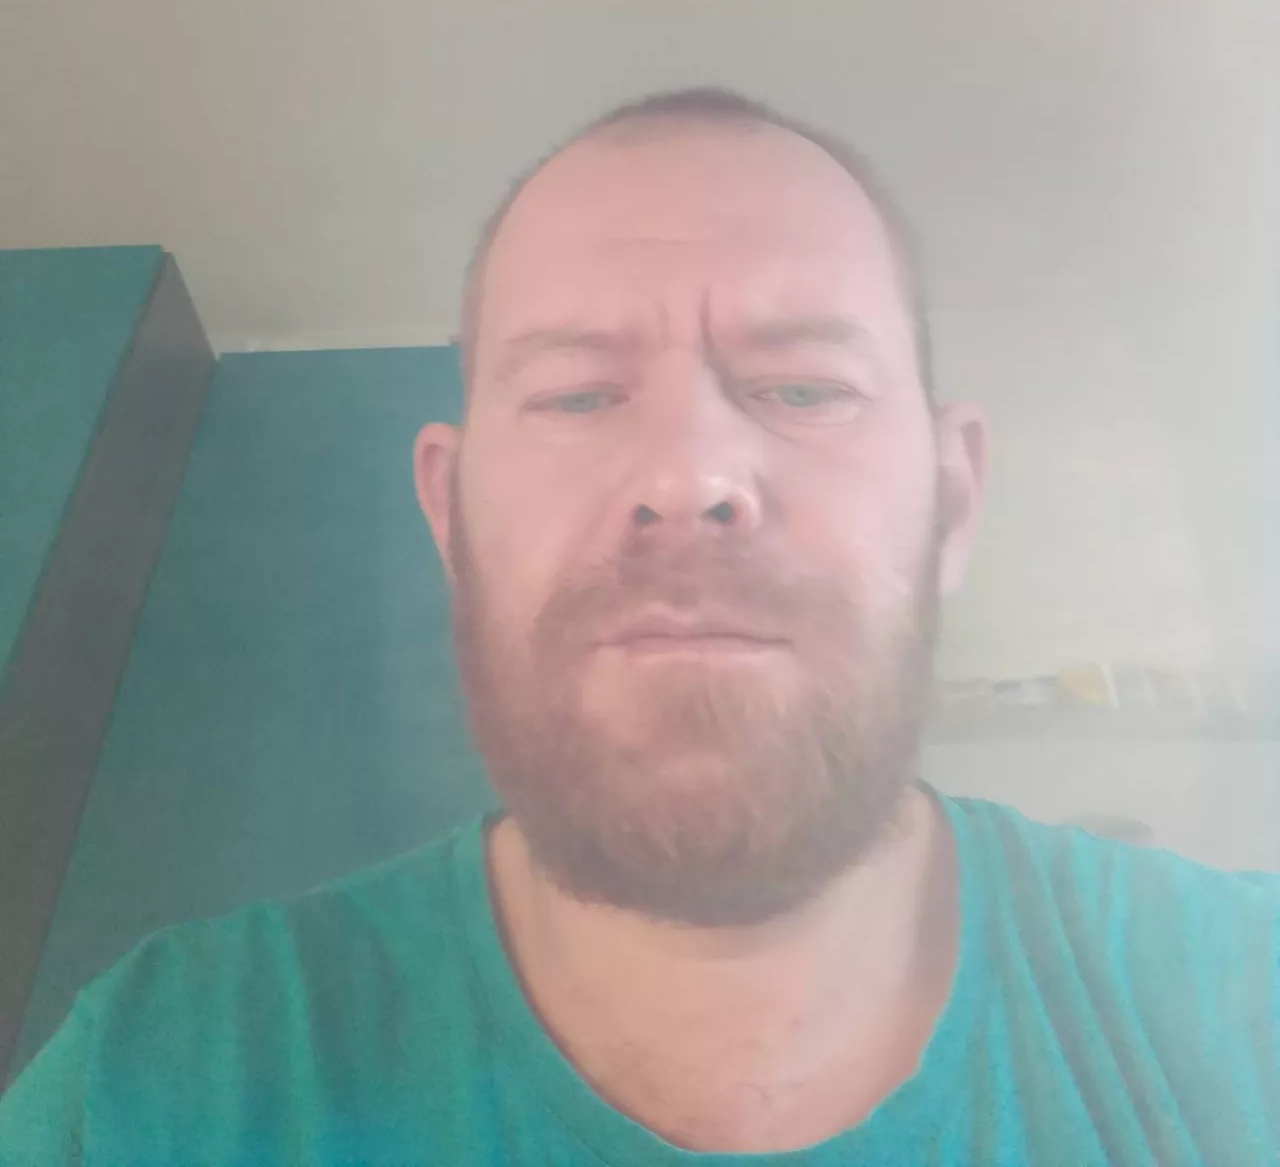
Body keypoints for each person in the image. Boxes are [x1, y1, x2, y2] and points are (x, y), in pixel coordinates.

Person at [2, 86, 1276, 1164]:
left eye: (802, 388)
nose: (688, 472)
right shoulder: (150, 1087)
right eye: (575, 395)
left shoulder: (1247, 1005)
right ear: (450, 515)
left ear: (950, 498)